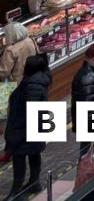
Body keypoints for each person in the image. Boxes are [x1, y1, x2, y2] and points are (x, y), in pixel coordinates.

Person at [6, 55, 51, 198]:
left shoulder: (32, 84)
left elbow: (31, 108)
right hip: (30, 128)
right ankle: (33, 182)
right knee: (33, 154)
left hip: (24, 128)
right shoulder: (37, 81)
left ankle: (16, 190)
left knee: (19, 157)